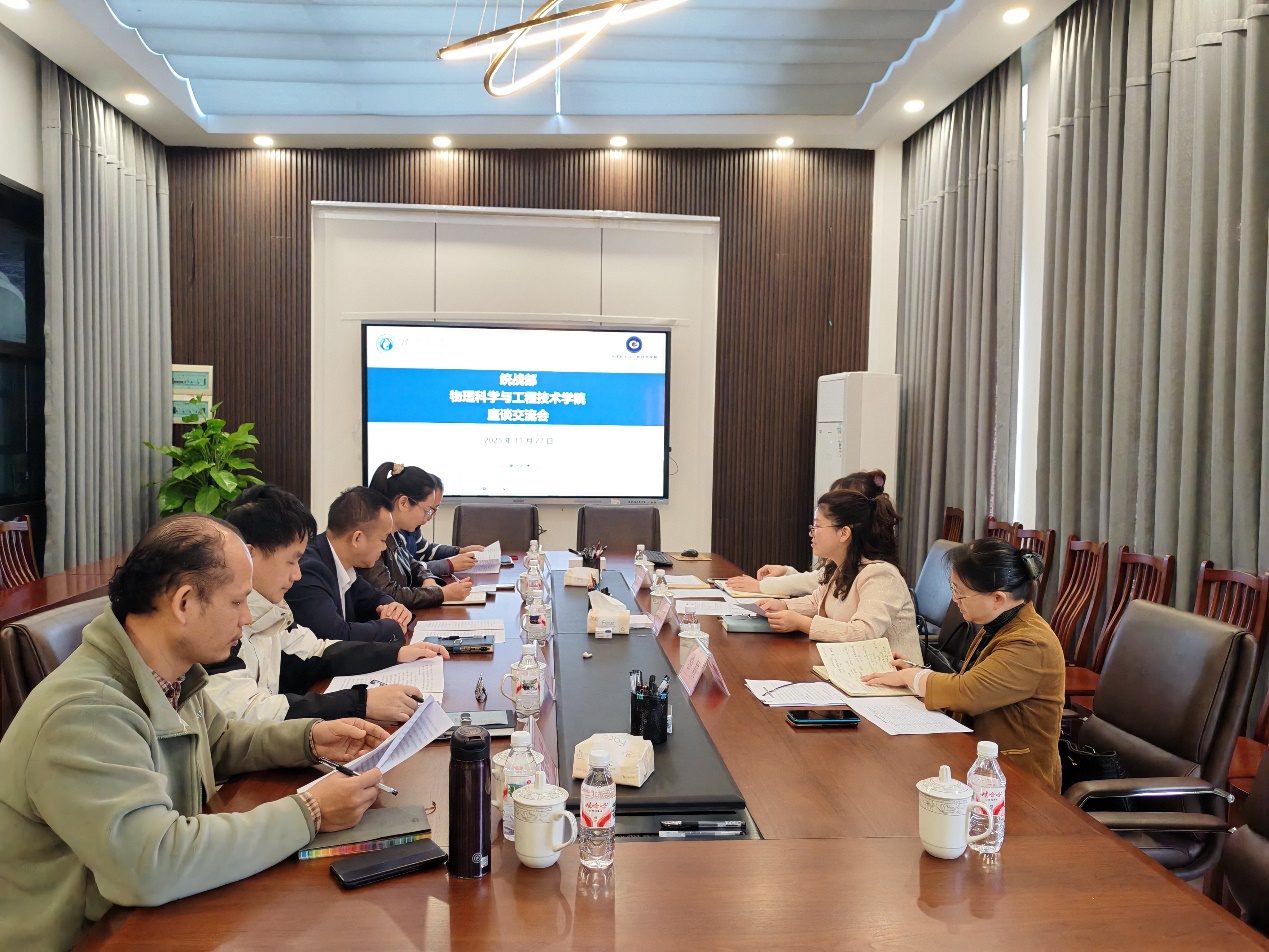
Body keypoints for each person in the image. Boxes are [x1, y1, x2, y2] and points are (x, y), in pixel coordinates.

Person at [0, 514, 391, 952]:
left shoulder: (171, 672)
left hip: (147, 917)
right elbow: (152, 862)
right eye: (237, 602)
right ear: (184, 603)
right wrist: (310, 812)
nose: (246, 617)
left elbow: (219, 742)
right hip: (89, 937)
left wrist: (310, 739)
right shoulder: (84, 713)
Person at [205, 485, 449, 724]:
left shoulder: (269, 609)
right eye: (291, 561)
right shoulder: (220, 623)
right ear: (249, 556)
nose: (297, 575)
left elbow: (317, 651)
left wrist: (395, 654)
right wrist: (361, 703)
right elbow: (248, 711)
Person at [861, 539, 1065, 791]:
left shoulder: (1030, 642)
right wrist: (917, 672)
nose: (954, 598)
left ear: (997, 598)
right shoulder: (999, 624)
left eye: (960, 592)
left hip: (1018, 780)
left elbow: (967, 693)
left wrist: (911, 677)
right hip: (980, 760)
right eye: (952, 587)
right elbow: (973, 681)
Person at [757, 488, 920, 660]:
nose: (811, 533)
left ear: (844, 533)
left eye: (817, 526)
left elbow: (863, 633)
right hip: (852, 663)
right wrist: (782, 605)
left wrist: (802, 623)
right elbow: (817, 601)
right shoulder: (840, 566)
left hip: (892, 672)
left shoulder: (881, 575)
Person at [727, 470, 888, 596]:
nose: (812, 533)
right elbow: (818, 585)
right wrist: (787, 573)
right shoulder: (843, 561)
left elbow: (816, 584)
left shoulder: (875, 571)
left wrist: (762, 586)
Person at [286, 487, 413, 643]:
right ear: (357, 538)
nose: (384, 547)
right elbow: (337, 635)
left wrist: (394, 608)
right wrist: (392, 627)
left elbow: (374, 597)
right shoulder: (309, 571)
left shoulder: (343, 563)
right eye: (382, 540)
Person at [363, 462, 474, 609]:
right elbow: (389, 594)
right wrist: (441, 594)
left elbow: (413, 564)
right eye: (427, 510)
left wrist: (427, 578)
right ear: (403, 503)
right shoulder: (372, 538)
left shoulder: (395, 534)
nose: (428, 518)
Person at [406, 470, 489, 576]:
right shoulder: (395, 533)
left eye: (435, 508)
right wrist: (449, 565)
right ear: (404, 503)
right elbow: (406, 570)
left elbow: (426, 550)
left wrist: (459, 551)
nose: (431, 515)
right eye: (429, 509)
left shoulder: (412, 528)